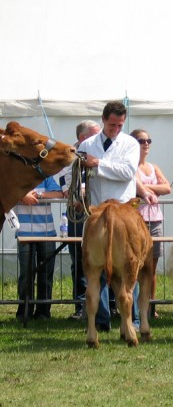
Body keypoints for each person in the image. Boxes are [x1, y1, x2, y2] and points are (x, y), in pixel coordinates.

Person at [78, 101, 157, 332]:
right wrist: (79, 188)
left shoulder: (130, 143)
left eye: (120, 125)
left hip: (124, 208)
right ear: (103, 120)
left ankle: (130, 320)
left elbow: (127, 172)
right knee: (94, 269)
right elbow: (80, 172)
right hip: (95, 210)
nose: (115, 129)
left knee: (130, 267)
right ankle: (101, 322)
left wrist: (98, 163)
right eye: (112, 124)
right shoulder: (87, 143)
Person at [58, 119, 101, 320]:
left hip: (99, 213)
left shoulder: (101, 152)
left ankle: (107, 304)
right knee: (81, 259)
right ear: (83, 138)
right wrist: (78, 195)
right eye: (95, 134)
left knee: (103, 257)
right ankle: (81, 305)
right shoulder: (69, 156)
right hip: (78, 215)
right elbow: (66, 184)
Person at [133, 129, 171, 318]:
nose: (146, 143)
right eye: (141, 140)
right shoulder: (131, 166)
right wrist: (153, 190)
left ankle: (151, 306)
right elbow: (134, 185)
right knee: (136, 266)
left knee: (153, 267)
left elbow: (167, 188)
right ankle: (135, 307)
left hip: (155, 219)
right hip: (137, 220)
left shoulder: (153, 167)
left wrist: (145, 189)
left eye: (148, 140)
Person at [13, 178, 63, 320]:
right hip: (24, 233)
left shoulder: (45, 177)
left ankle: (43, 311)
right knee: (26, 274)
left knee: (46, 274)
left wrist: (40, 195)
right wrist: (22, 196)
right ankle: (25, 311)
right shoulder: (18, 176)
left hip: (47, 232)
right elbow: (8, 192)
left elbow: (60, 194)